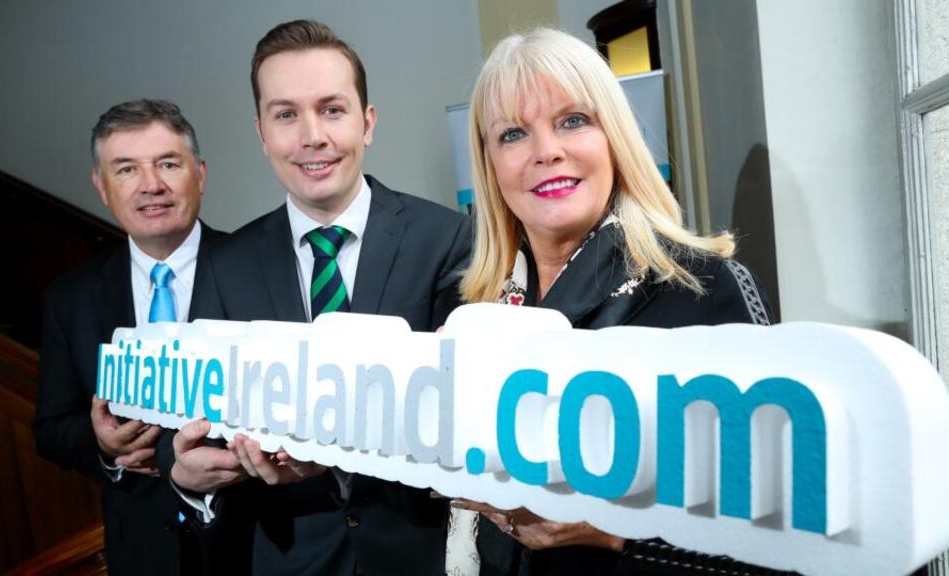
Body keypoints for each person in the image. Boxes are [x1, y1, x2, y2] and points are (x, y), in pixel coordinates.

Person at [450, 28, 787, 576]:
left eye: (572, 121)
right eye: (513, 133)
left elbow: (774, 536)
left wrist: (609, 533)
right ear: (489, 165)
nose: (546, 151)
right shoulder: (479, 315)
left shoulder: (707, 290)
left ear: (615, 137)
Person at [164, 19, 472, 576]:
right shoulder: (225, 267)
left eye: (331, 109)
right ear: (262, 133)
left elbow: (466, 422)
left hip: (421, 557)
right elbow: (209, 433)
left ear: (367, 122)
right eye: (286, 115)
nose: (312, 136)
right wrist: (191, 480)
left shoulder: (448, 239)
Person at [33, 99, 224, 576]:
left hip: (252, 546)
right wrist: (104, 448)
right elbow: (52, 429)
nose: (150, 184)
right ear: (102, 186)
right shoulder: (70, 298)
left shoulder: (257, 267)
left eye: (168, 163)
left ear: (200, 175)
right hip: (140, 551)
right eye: (126, 169)